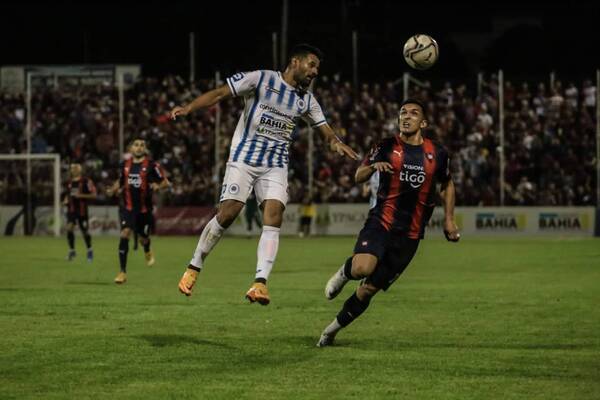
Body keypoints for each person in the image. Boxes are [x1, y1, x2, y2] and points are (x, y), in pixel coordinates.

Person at [171, 43, 359, 305]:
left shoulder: (306, 99)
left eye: (318, 68)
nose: (315, 72)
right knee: (228, 214)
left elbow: (325, 131)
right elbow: (219, 93)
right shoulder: (261, 79)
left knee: (274, 215)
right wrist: (189, 108)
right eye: (312, 65)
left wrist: (336, 143)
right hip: (244, 160)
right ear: (295, 62)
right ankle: (194, 265)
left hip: (275, 165)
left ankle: (260, 283)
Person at [316, 99, 460, 347]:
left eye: (414, 113)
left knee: (367, 290)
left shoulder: (438, 153)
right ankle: (344, 272)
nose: (407, 116)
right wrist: (372, 167)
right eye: (403, 112)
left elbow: (447, 184)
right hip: (381, 220)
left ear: (423, 123)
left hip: (411, 234)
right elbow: (358, 176)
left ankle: (330, 332)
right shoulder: (385, 146)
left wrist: (449, 219)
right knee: (362, 268)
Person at [106, 138, 170, 284]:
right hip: (128, 208)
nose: (139, 147)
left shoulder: (152, 165)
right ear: (131, 149)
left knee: (143, 238)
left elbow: (166, 182)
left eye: (142, 145)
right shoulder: (124, 165)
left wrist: (158, 187)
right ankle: (122, 272)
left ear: (145, 149)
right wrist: (113, 189)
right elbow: (121, 182)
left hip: (144, 210)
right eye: (136, 145)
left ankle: (147, 249)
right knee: (125, 233)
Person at [63, 162, 97, 261]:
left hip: (82, 211)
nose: (73, 170)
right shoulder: (69, 182)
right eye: (72, 168)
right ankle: (72, 251)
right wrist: (65, 200)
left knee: (84, 232)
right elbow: (68, 194)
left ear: (80, 170)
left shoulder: (86, 181)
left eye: (75, 168)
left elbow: (94, 194)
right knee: (69, 228)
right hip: (71, 210)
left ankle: (89, 250)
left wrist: (81, 195)